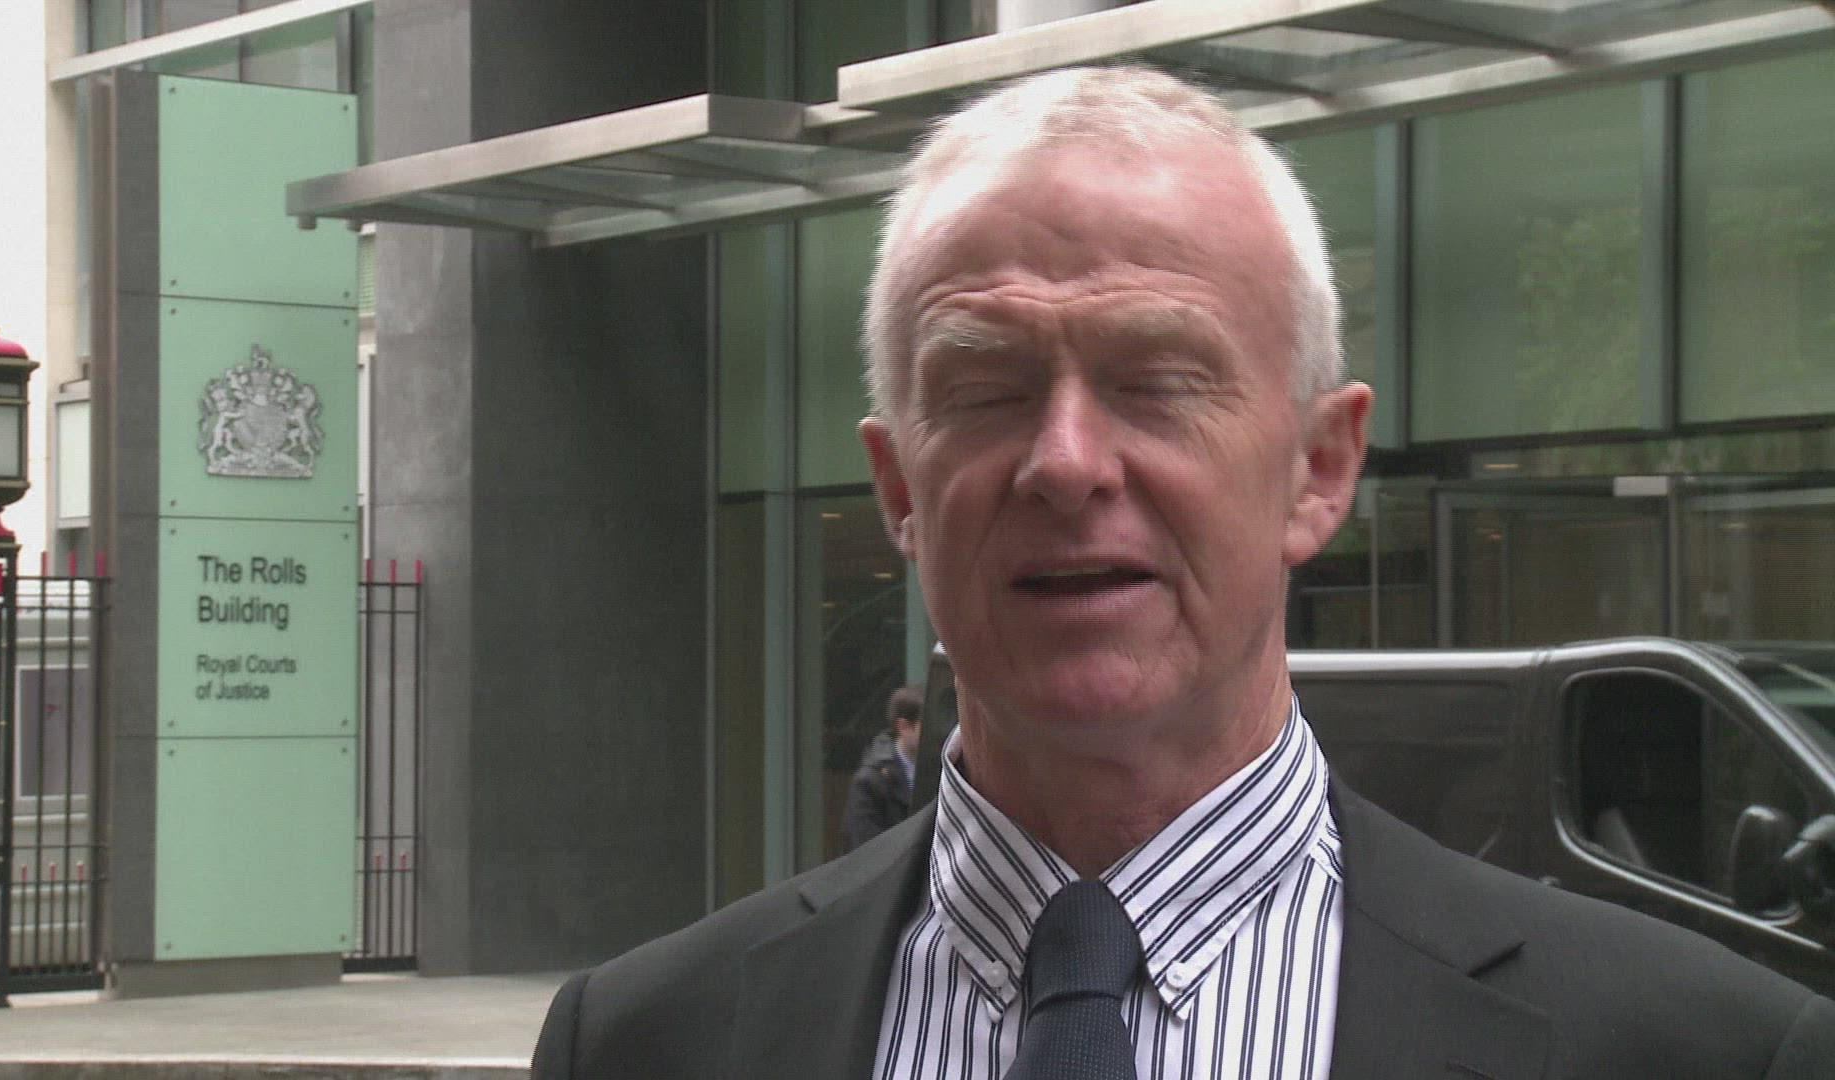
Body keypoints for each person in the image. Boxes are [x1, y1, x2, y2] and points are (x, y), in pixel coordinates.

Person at [532, 66, 1835, 1079]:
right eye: (986, 389)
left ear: (1319, 469)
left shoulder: (1705, 1053)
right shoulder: (646, 1044)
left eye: (1158, 380)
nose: (1065, 463)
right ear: (898, 490)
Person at [841, 685, 924, 852]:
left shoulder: (947, 769)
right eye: (926, 725)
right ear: (904, 727)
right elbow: (866, 848)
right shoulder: (870, 782)